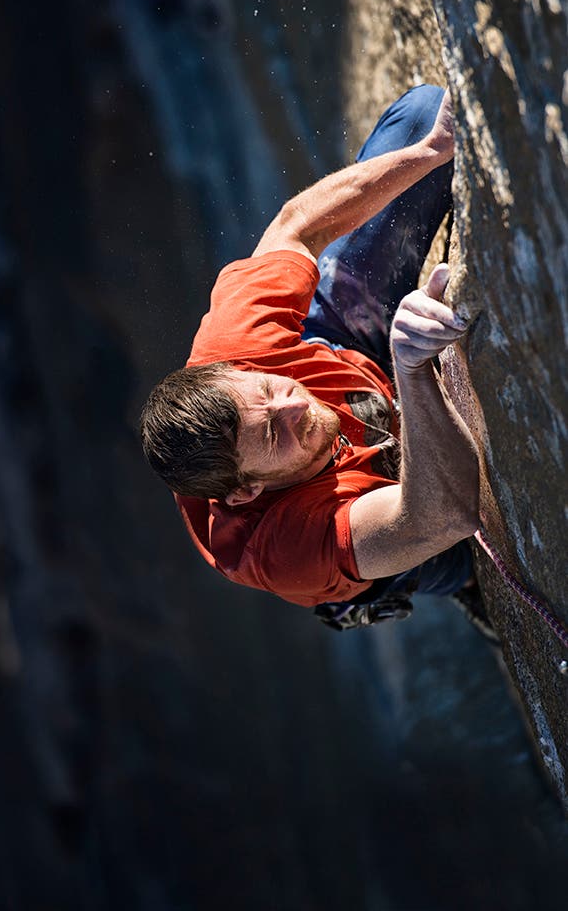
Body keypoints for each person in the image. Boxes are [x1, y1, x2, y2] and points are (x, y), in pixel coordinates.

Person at [140, 85, 482, 629]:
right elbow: (441, 515)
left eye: (271, 391)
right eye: (275, 435)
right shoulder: (284, 546)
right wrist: (411, 368)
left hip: (344, 345)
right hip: (375, 524)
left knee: (423, 117)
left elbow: (300, 225)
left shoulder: (237, 342)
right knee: (454, 557)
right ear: (249, 489)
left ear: (237, 371)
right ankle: (461, 586)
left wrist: (433, 151)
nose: (294, 408)